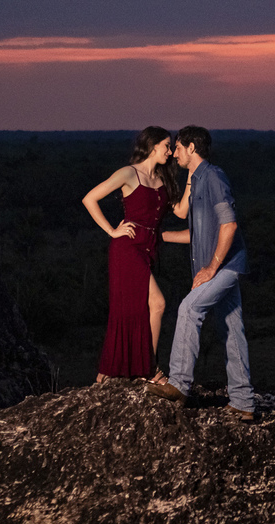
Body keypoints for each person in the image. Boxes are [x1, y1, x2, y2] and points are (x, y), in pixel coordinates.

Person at [146, 126, 255, 422]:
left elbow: (229, 225)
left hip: (226, 266)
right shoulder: (197, 181)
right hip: (220, 267)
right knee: (232, 330)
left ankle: (179, 384)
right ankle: (244, 402)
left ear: (191, 148)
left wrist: (211, 266)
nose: (174, 154)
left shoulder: (214, 177)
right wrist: (160, 236)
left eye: (178, 148)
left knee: (189, 308)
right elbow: (194, 233)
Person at [82, 126, 177, 385]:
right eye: (166, 145)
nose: (169, 152)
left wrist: (194, 175)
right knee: (156, 303)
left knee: (135, 308)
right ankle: (149, 369)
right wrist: (112, 231)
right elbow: (89, 199)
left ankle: (115, 371)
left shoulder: (162, 179)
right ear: (153, 145)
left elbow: (179, 211)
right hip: (127, 247)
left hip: (149, 249)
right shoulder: (128, 173)